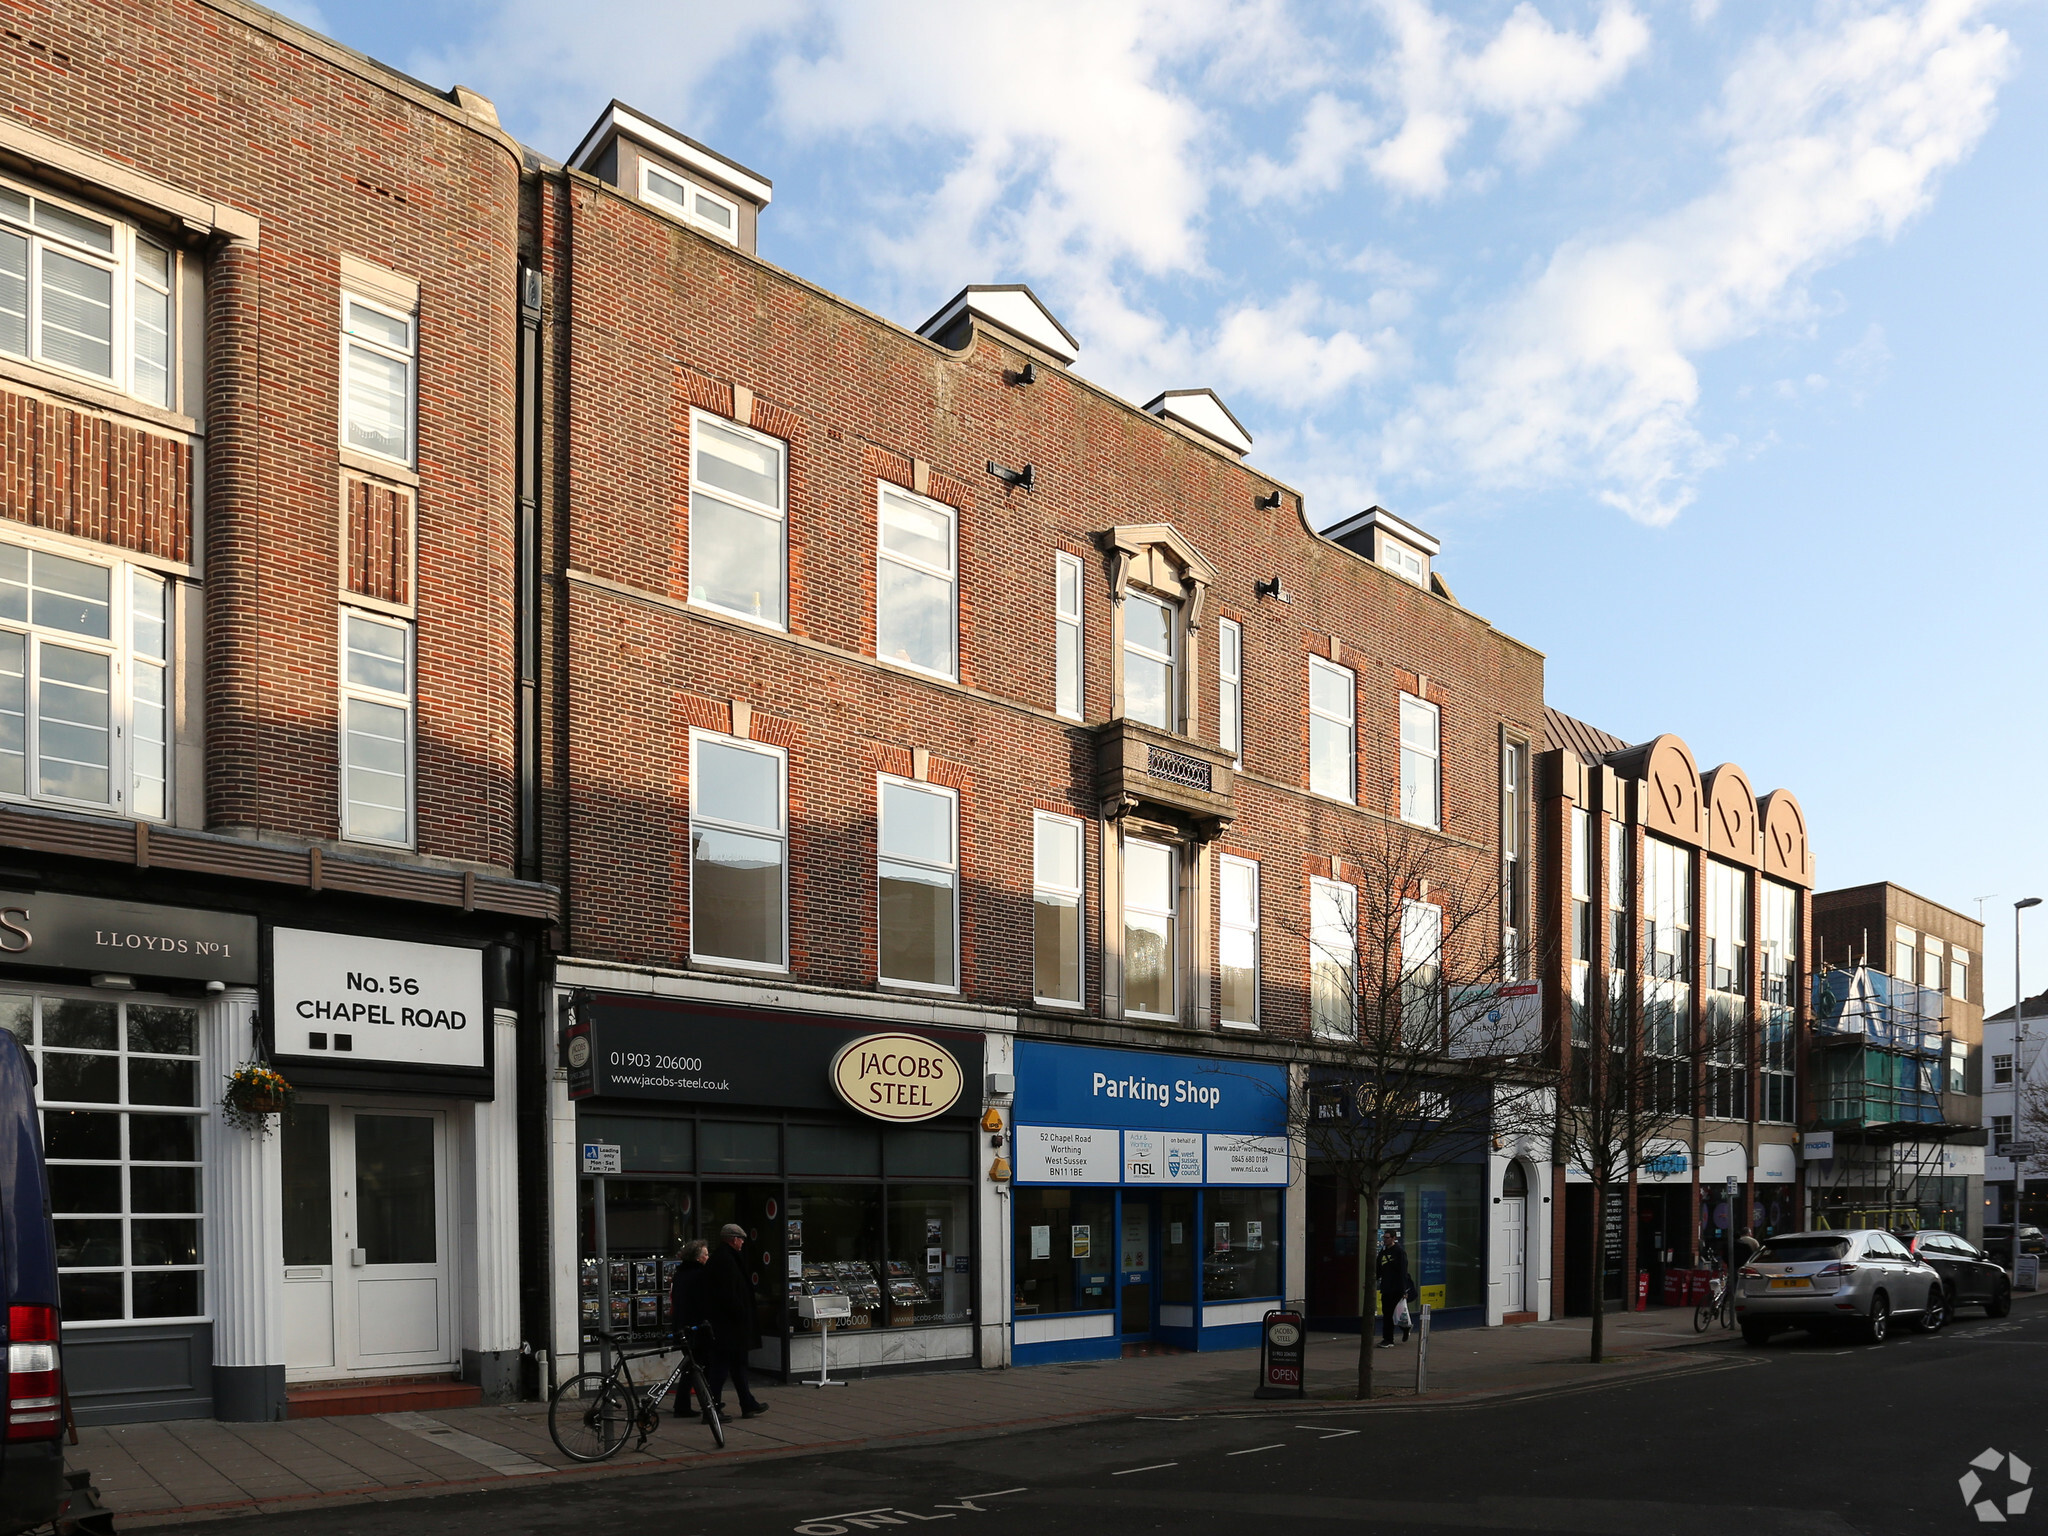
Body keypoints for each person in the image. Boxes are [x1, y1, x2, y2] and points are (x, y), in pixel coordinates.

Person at [703, 1223, 770, 1418]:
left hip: (730, 1325)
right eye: (741, 1239)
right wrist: (741, 1313)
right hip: (729, 1326)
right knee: (721, 1368)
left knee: (738, 1365)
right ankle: (711, 1409)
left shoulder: (725, 1257)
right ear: (733, 1239)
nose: (742, 1243)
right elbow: (728, 1294)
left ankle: (747, 1403)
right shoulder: (725, 1260)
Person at [669, 1239, 711, 1417]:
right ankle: (706, 1403)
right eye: (706, 1254)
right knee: (698, 1366)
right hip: (696, 1327)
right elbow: (703, 1301)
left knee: (690, 1366)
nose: (708, 1257)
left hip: (682, 1325)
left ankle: (682, 1404)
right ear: (698, 1258)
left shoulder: (680, 1274)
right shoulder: (700, 1274)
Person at [1376, 1228, 1410, 1349]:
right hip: (1386, 1287)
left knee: (1398, 1313)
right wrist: (1373, 1280)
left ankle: (1404, 1328)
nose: (1385, 1240)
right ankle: (1388, 1339)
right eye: (1384, 1237)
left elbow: (1402, 1272)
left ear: (1394, 1238)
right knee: (1387, 1314)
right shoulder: (1383, 1251)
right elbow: (1378, 1267)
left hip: (1396, 1288)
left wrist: (1403, 1290)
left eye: (1387, 1237)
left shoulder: (1399, 1252)